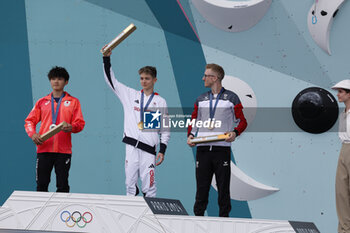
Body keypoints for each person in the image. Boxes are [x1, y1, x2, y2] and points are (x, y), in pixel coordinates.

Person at [101, 46, 170, 197]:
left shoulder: (159, 101)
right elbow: (112, 81)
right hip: (131, 146)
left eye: (147, 78)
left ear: (155, 80)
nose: (144, 81)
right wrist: (106, 59)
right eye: (141, 78)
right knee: (129, 184)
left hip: (149, 150)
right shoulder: (130, 95)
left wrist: (162, 150)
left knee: (149, 186)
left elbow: (165, 129)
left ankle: (150, 216)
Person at [187, 63, 247, 217]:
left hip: (222, 149)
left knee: (223, 187)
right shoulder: (201, 99)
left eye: (206, 75)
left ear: (214, 78)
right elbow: (194, 121)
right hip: (203, 149)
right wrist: (191, 136)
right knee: (201, 187)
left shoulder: (232, 98)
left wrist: (235, 132)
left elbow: (242, 121)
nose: (203, 78)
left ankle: (224, 221)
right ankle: (197, 219)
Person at [25, 66, 85, 192]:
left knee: (63, 186)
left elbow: (80, 123)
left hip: (63, 151)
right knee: (41, 185)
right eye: (53, 79)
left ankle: (60, 212)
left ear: (66, 82)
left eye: (59, 79)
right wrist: (33, 134)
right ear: (50, 81)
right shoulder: (42, 102)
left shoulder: (73, 102)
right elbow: (29, 121)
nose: (56, 81)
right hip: (44, 148)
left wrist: (71, 127)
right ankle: (42, 212)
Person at [332, 80, 350, 233]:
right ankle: (344, 229)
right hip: (344, 149)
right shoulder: (343, 115)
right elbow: (342, 136)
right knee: (341, 191)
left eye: (341, 92)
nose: (338, 94)